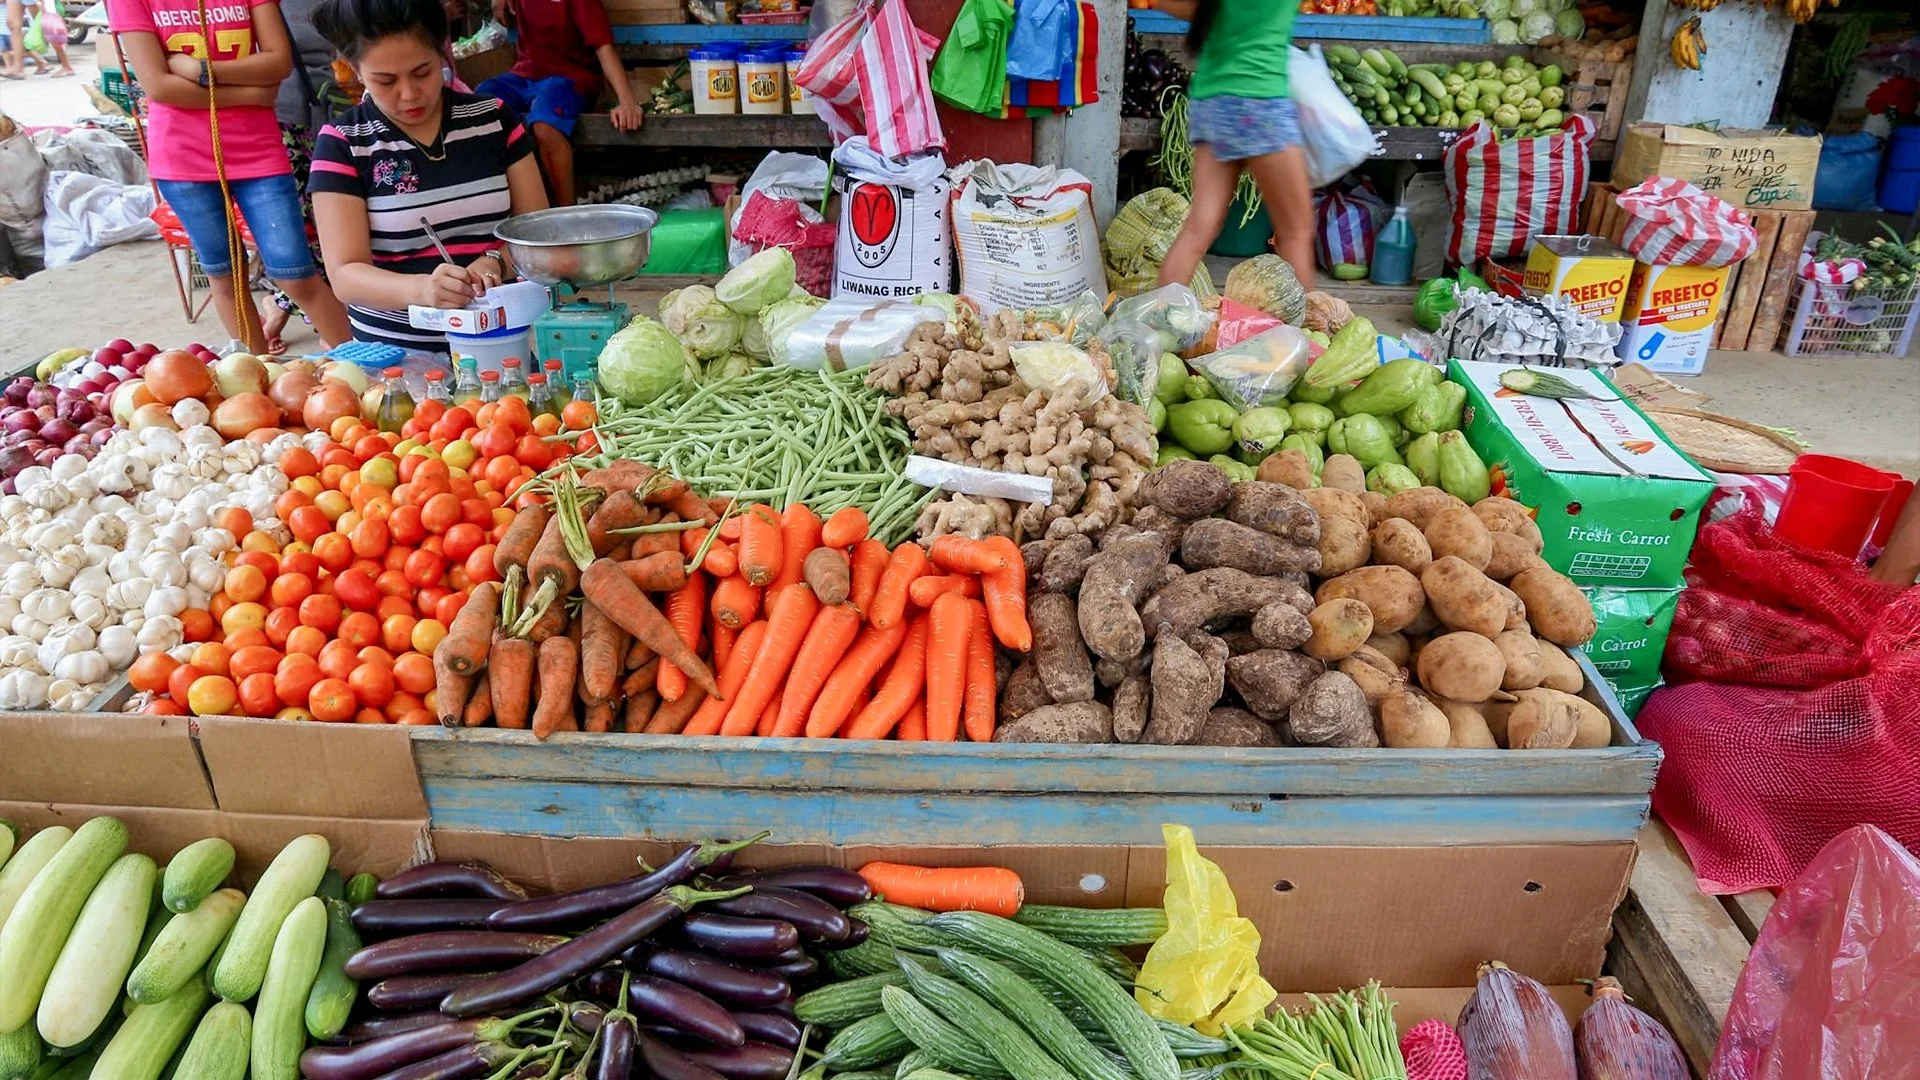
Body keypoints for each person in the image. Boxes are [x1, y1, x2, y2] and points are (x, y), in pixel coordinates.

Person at [107, 0, 352, 350]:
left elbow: (277, 62)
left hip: (258, 151)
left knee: (297, 276)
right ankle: (255, 385)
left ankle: (369, 374)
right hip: (182, 158)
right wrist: (251, 92)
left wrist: (199, 71)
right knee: (226, 278)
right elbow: (159, 86)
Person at [309, 0, 548, 350]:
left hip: (502, 345)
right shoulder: (344, 144)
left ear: (443, 54)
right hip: (395, 358)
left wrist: (497, 261)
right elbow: (345, 274)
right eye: (385, 81)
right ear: (355, 70)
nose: (408, 94)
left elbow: (537, 236)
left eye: (422, 72)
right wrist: (421, 290)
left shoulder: (493, 120)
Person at [1151, 0, 1315, 294]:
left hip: (1213, 102)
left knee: (1199, 229)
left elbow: (1170, 3)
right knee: (1295, 233)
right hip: (1261, 102)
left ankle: (1157, 323)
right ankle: (1307, 332)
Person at [477, 0, 642, 207]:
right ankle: (499, 208)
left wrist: (626, 100)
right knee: (480, 105)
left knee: (545, 126)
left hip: (569, 78)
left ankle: (566, 212)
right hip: (525, 75)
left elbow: (603, 45)